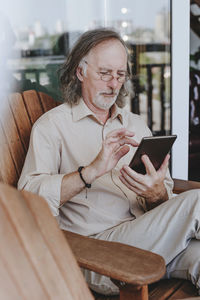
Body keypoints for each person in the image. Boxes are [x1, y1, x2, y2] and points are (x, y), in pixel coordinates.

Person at [18, 28, 200, 296]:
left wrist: (157, 194)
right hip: (100, 255)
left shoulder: (136, 125)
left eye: (120, 75)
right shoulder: (52, 126)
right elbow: (28, 198)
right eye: (104, 74)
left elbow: (166, 203)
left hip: (150, 244)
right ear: (80, 72)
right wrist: (88, 173)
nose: (114, 84)